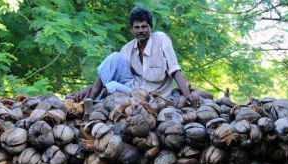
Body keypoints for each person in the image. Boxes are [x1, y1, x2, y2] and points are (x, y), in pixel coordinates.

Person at [69, 6, 198, 105]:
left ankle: (94, 103)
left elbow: (175, 70)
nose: (140, 30)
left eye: (144, 27)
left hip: (153, 96)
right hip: (132, 87)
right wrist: (89, 88)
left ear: (151, 28)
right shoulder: (128, 48)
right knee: (114, 57)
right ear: (132, 30)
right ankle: (89, 100)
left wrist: (187, 95)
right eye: (137, 27)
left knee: (111, 87)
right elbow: (111, 72)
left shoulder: (162, 40)